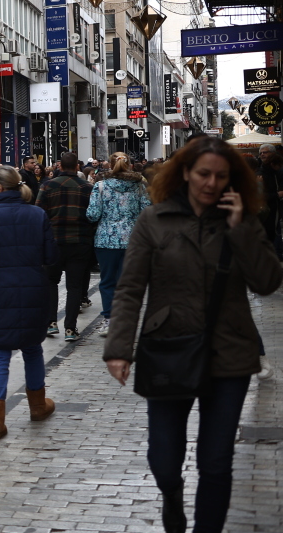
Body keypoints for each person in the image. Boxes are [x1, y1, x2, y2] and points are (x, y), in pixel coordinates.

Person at [104, 137, 282, 533]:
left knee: (216, 461)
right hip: (169, 347)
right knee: (165, 461)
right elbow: (131, 287)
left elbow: (268, 282)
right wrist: (119, 349)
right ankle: (171, 498)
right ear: (185, 173)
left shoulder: (243, 219)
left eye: (221, 176)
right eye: (204, 174)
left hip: (230, 353)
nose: (211, 183)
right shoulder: (154, 219)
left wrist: (240, 230)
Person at [0, 166, 57, 440]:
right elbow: (51, 256)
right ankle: (38, 406)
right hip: (32, 290)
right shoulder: (37, 214)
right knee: (32, 348)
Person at [85, 152, 150, 338]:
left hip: (106, 240)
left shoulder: (101, 186)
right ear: (129, 165)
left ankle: (109, 320)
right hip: (133, 240)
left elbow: (93, 214)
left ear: (110, 166)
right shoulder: (139, 186)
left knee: (107, 282)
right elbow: (147, 211)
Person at [37, 151, 94, 341]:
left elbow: (39, 213)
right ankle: (70, 328)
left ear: (59, 166)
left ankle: (51, 323)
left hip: (53, 241)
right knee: (75, 286)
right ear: (77, 167)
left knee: (51, 282)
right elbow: (93, 215)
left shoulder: (47, 186)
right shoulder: (87, 187)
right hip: (79, 241)